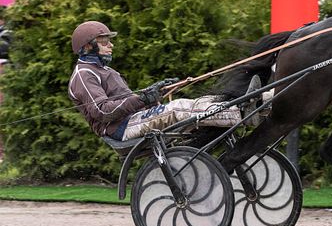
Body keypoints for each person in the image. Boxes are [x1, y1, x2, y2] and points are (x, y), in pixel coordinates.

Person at [68, 21, 246, 141]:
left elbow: (123, 100)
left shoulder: (104, 70)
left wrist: (154, 94)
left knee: (201, 102)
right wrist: (142, 99)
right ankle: (241, 114)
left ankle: (250, 105)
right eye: (105, 42)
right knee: (178, 107)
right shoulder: (84, 74)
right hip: (119, 128)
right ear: (88, 46)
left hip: (130, 119)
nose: (111, 45)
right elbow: (102, 111)